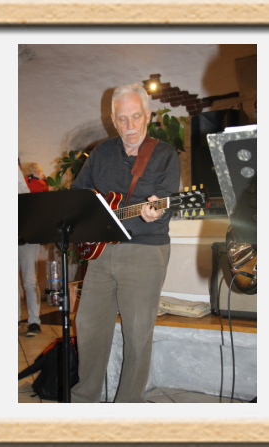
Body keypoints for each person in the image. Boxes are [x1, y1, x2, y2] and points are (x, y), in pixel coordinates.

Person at [69, 83, 181, 403]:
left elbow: (167, 201)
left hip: (145, 249)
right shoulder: (100, 153)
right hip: (102, 251)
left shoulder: (164, 154)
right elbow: (78, 195)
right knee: (88, 327)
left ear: (148, 115)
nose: (130, 126)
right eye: (122, 118)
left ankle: (127, 407)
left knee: (137, 334)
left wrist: (155, 211)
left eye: (136, 116)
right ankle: (83, 401)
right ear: (113, 120)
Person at [18, 160, 49, 337]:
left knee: (29, 281)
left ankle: (33, 321)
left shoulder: (27, 184)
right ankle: (32, 322)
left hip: (27, 238)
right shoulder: (41, 185)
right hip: (28, 237)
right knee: (29, 282)